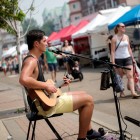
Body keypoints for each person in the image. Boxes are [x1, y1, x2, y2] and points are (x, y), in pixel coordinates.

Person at [19, 29, 101, 140]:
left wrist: (59, 85)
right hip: (43, 107)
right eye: (44, 41)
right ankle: (83, 137)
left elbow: (38, 87)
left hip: (42, 101)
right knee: (88, 100)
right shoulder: (31, 61)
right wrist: (46, 86)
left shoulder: (34, 59)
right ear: (36, 44)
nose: (47, 43)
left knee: (83, 93)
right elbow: (23, 79)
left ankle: (89, 131)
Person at [111, 23, 140, 99]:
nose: (124, 27)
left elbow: (129, 49)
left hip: (127, 58)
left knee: (130, 76)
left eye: (124, 26)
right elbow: (113, 51)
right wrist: (113, 62)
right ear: (118, 28)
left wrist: (133, 58)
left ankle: (133, 92)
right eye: (122, 26)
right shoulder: (114, 38)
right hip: (118, 59)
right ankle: (122, 91)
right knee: (120, 76)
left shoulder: (126, 37)